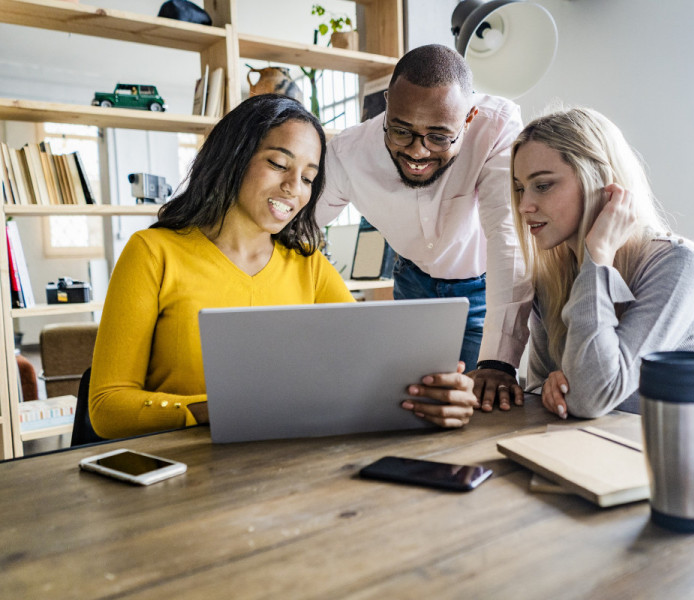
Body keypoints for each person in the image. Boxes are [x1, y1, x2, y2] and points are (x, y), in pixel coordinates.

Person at [89, 94, 475, 439]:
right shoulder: (152, 253)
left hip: (285, 472)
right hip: (183, 474)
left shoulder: (309, 266)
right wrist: (213, 410)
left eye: (308, 177)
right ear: (235, 156)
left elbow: (368, 373)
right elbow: (107, 407)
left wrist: (435, 393)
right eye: (278, 163)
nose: (295, 187)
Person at [316, 44, 532, 389]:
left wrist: (498, 362)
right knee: (410, 399)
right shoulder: (348, 154)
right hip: (412, 282)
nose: (418, 151)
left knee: (481, 403)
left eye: (438, 137)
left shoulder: (496, 128)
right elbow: (299, 224)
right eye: (401, 131)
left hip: (482, 291)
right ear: (388, 103)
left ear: (469, 118)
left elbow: (507, 237)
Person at [503, 107, 694, 418]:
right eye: (520, 188)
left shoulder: (678, 264)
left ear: (598, 180)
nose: (524, 206)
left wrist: (598, 257)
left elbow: (590, 398)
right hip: (595, 449)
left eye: (543, 185)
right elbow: (538, 392)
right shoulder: (551, 278)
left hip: (678, 457)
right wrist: (551, 385)